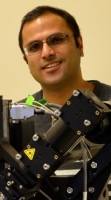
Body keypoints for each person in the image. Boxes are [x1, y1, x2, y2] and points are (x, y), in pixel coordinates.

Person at [18, 5, 111, 200]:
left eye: (56, 39)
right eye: (35, 47)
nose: (47, 52)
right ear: (26, 61)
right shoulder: (15, 117)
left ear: (80, 44)